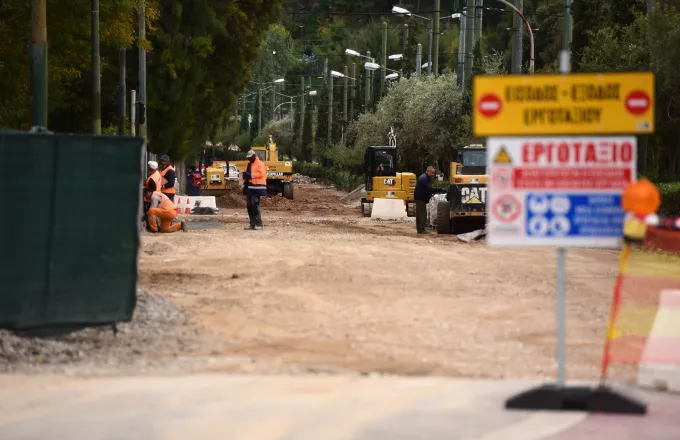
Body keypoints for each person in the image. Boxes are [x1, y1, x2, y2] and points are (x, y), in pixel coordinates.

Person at [414, 165, 444, 234]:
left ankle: (419, 230)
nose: (433, 174)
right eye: (432, 173)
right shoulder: (424, 178)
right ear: (428, 171)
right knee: (422, 214)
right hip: (420, 199)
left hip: (419, 198)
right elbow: (430, 189)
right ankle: (422, 230)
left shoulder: (424, 177)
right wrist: (440, 189)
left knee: (419, 214)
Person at [242, 149, 267, 230]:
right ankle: (252, 224)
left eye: (250, 157)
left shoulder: (260, 164)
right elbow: (247, 176)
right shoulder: (249, 164)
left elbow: (261, 174)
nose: (249, 159)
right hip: (250, 188)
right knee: (250, 206)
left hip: (257, 188)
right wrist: (244, 176)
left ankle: (259, 224)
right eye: (248, 158)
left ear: (254, 156)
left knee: (255, 206)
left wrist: (249, 175)